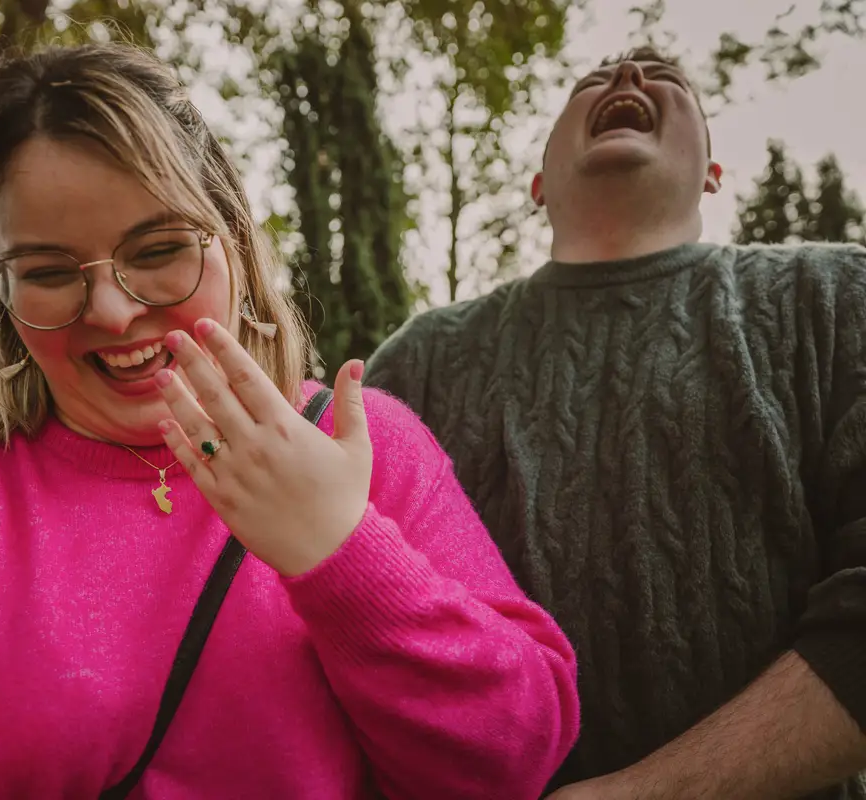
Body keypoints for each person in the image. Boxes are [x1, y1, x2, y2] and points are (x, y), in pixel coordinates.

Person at [0, 43, 581, 800]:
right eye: (47, 270)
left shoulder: (365, 442)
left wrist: (340, 550)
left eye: (157, 252)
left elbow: (513, 760)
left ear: (233, 238)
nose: (110, 310)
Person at [365, 45, 866, 800]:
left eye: (668, 76)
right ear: (537, 184)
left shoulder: (835, 302)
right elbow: (355, 621)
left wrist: (646, 792)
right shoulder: (417, 363)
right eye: (593, 79)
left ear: (712, 176)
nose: (628, 76)